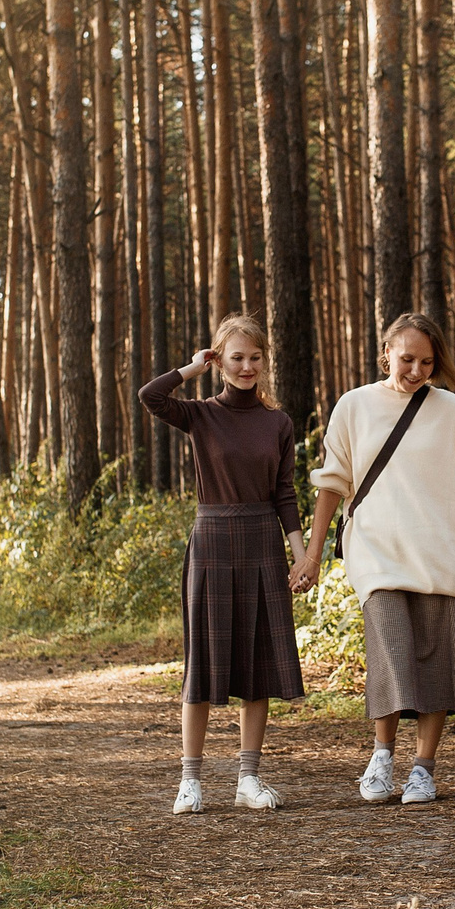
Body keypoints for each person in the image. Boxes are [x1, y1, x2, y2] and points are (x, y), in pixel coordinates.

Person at [292, 312, 455, 805]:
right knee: (391, 655)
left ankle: (423, 768)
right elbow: (332, 484)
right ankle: (381, 757)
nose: (415, 370)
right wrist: (311, 555)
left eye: (426, 362)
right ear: (386, 354)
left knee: (435, 664)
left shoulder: (454, 411)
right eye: (406, 359)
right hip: (377, 555)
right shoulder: (354, 406)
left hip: (441, 555)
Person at [140, 315, 304, 814]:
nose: (247, 366)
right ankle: (190, 780)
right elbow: (150, 396)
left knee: (257, 664)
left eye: (255, 357)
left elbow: (285, 493)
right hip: (212, 541)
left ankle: (247, 779)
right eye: (237, 357)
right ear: (219, 360)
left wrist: (301, 554)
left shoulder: (278, 423)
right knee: (203, 663)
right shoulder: (199, 414)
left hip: (261, 542)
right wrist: (190, 370)